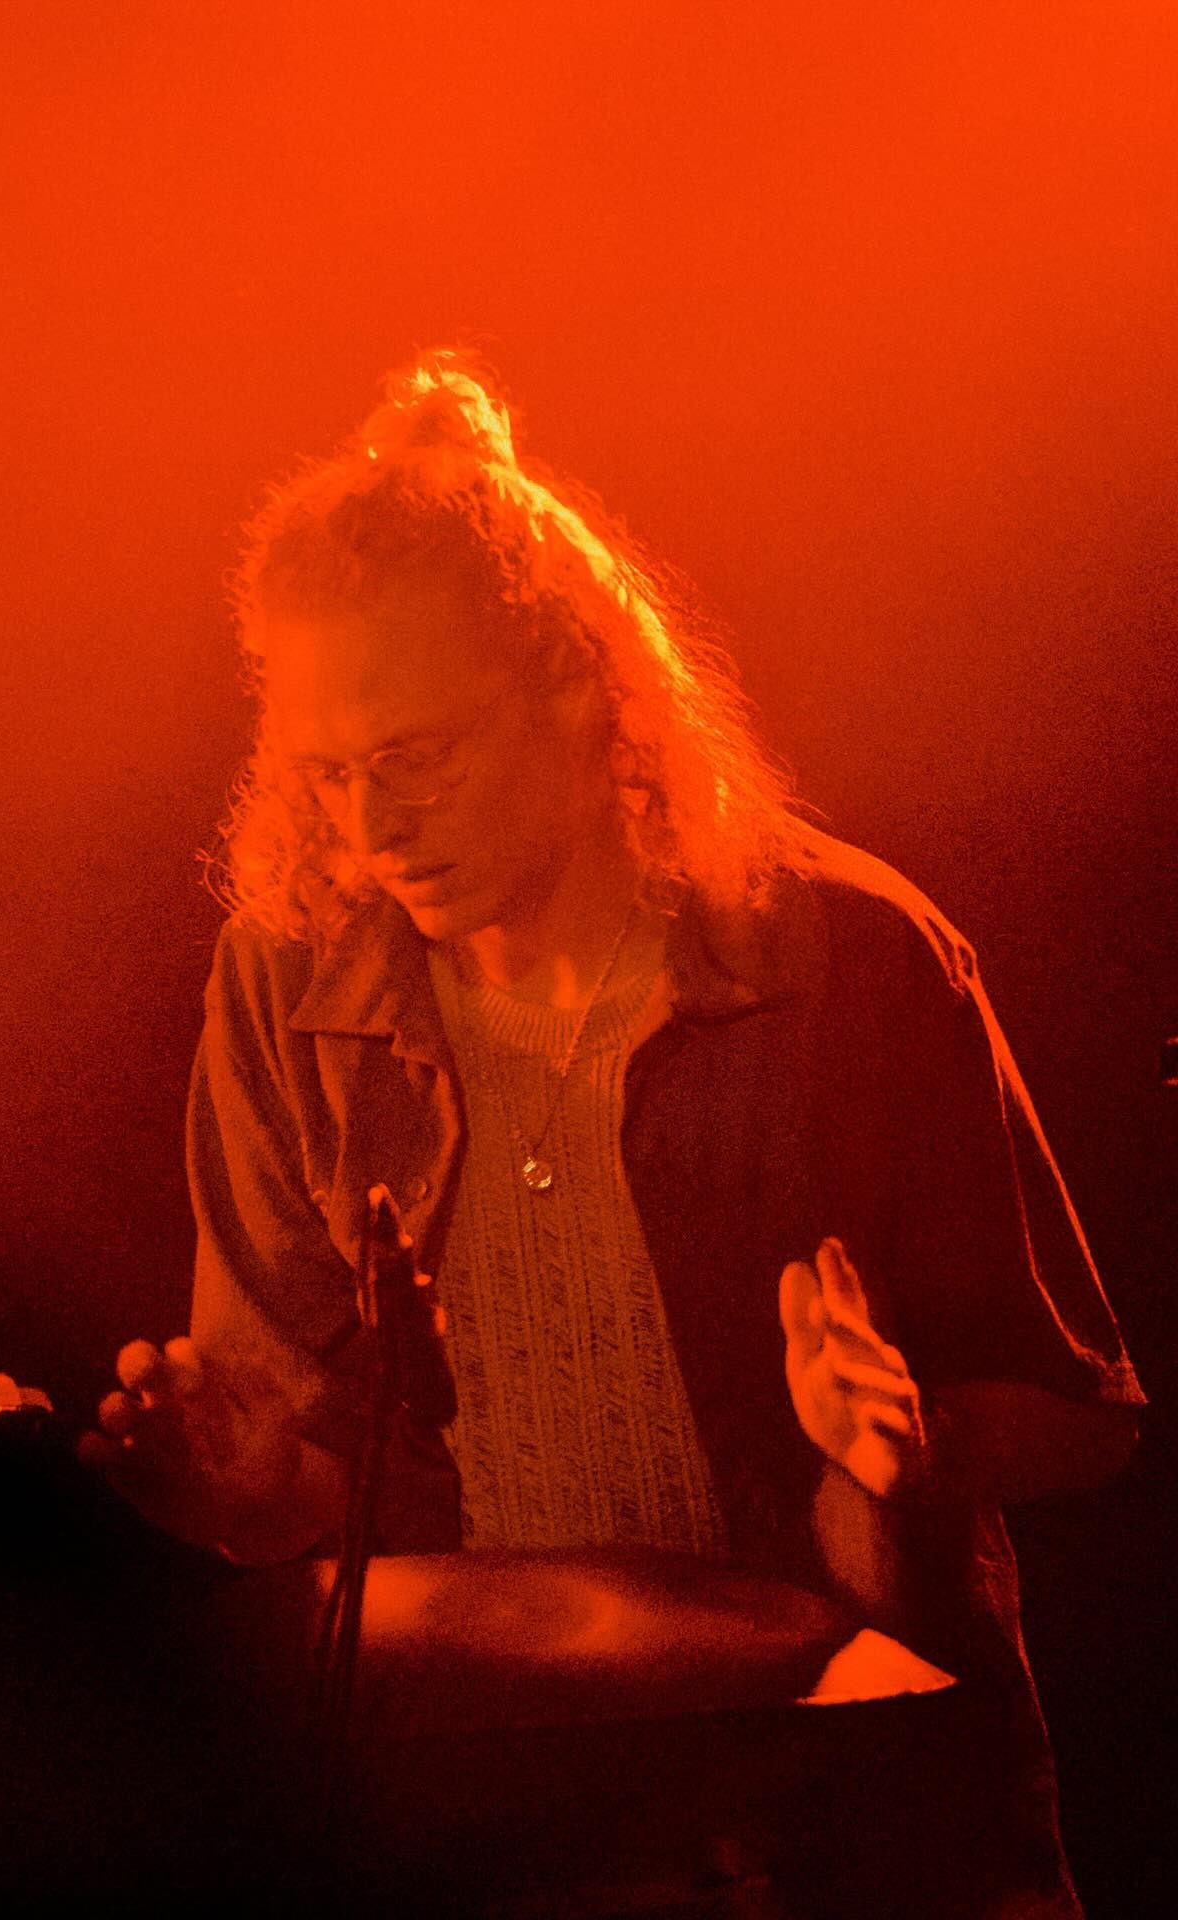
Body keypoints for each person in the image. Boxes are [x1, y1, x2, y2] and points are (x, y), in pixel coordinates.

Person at [82, 351, 1142, 1914]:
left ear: (581, 694)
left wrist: (903, 1451)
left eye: (417, 759)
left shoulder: (850, 957)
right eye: (330, 776)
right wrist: (245, 1497)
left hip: (848, 1831)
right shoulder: (287, 983)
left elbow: (1086, 1415)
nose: (370, 829)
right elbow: (309, 1498)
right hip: (501, 1843)